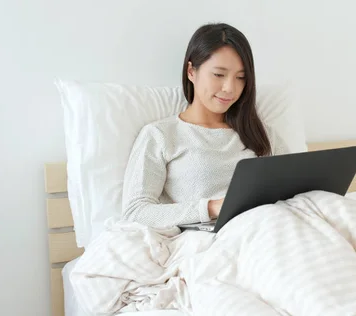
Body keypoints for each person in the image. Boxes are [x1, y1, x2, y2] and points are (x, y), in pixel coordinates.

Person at [121, 23, 290, 228]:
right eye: (219, 75)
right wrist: (210, 207)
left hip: (269, 228)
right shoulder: (160, 135)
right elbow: (135, 211)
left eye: (241, 78)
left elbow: (294, 191)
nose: (230, 88)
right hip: (212, 241)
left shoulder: (261, 134)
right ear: (191, 71)